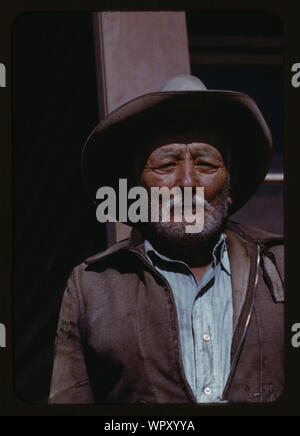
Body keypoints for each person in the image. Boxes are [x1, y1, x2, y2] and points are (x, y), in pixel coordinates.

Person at [49, 75, 284, 404]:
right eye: (165, 164)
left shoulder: (281, 267)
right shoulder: (92, 286)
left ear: (229, 188)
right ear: (138, 190)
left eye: (205, 163)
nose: (187, 182)